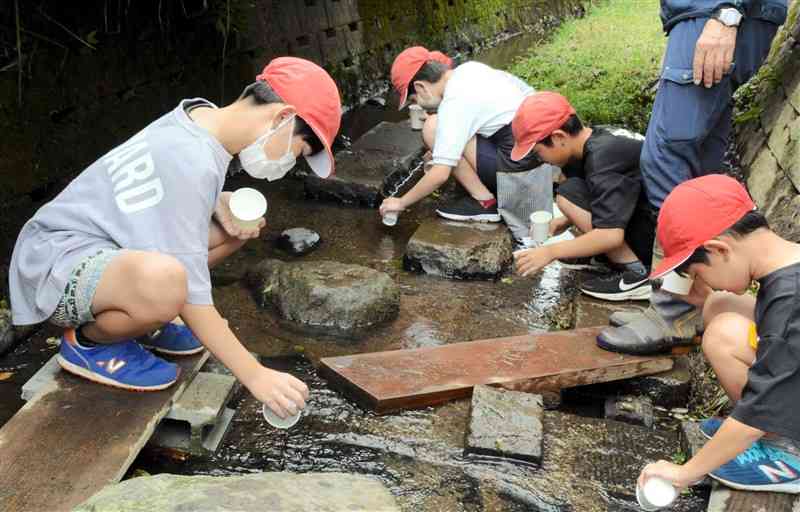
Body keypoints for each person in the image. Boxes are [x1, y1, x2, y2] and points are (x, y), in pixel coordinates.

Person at [8, 57, 341, 421]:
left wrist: (217, 200)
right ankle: (90, 343)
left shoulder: (200, 117)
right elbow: (193, 291)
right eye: (300, 151)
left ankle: (147, 317)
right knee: (169, 283)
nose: (291, 163)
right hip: (55, 264)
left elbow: (164, 188)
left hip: (98, 248)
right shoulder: (192, 161)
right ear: (281, 118)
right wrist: (254, 374)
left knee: (236, 229)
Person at [597, 0, 787, 352]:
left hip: (712, 11)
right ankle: (684, 305)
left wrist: (726, 14)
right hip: (724, 13)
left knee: (666, 161)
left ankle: (674, 311)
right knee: (697, 166)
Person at [638, 174, 800, 493]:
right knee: (721, 304)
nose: (700, 278)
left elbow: (763, 405)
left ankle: (790, 456)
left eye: (697, 271)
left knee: (722, 334)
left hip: (780, 404)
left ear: (718, 249)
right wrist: (708, 298)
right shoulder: (786, 266)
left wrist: (687, 471)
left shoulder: (791, 298)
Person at [511, 92, 656, 301]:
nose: (540, 160)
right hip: (645, 213)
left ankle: (637, 274)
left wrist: (550, 252)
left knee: (567, 193)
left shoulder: (604, 159)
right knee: (572, 188)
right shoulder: (597, 139)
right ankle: (604, 255)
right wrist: (564, 221)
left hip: (657, 233)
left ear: (559, 137)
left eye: (537, 152)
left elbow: (610, 235)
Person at [379, 46, 542, 223]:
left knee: (433, 127)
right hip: (536, 159)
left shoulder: (454, 102)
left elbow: (440, 173)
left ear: (421, 87)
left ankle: (485, 202)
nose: (419, 105)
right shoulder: (469, 69)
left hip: (518, 179)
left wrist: (401, 202)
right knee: (440, 125)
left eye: (413, 99)